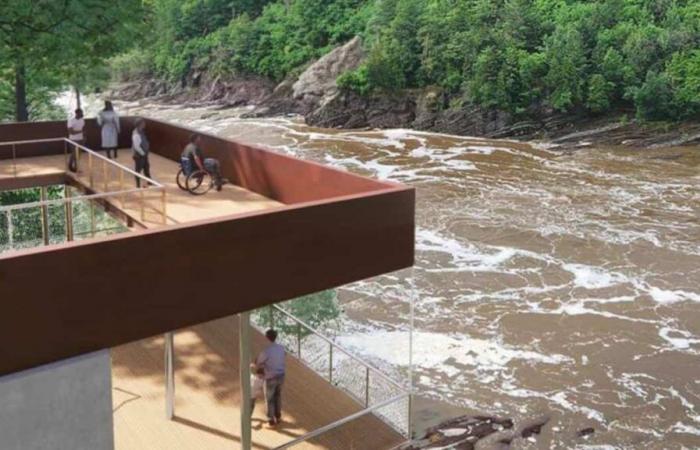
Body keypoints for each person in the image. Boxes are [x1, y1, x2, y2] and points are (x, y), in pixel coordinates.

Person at [254, 329, 286, 426]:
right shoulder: (281, 348)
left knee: (269, 398)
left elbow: (258, 362)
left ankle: (271, 419)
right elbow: (284, 355)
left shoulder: (266, 352)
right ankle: (278, 416)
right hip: (281, 375)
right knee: (278, 395)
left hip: (270, 377)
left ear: (267, 338)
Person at [132, 119, 151, 187]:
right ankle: (138, 185)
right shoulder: (136, 134)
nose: (144, 124)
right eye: (143, 123)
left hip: (144, 154)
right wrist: (143, 154)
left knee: (146, 167)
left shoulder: (141, 131)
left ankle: (149, 182)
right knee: (138, 170)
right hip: (139, 155)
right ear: (139, 124)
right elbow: (137, 146)